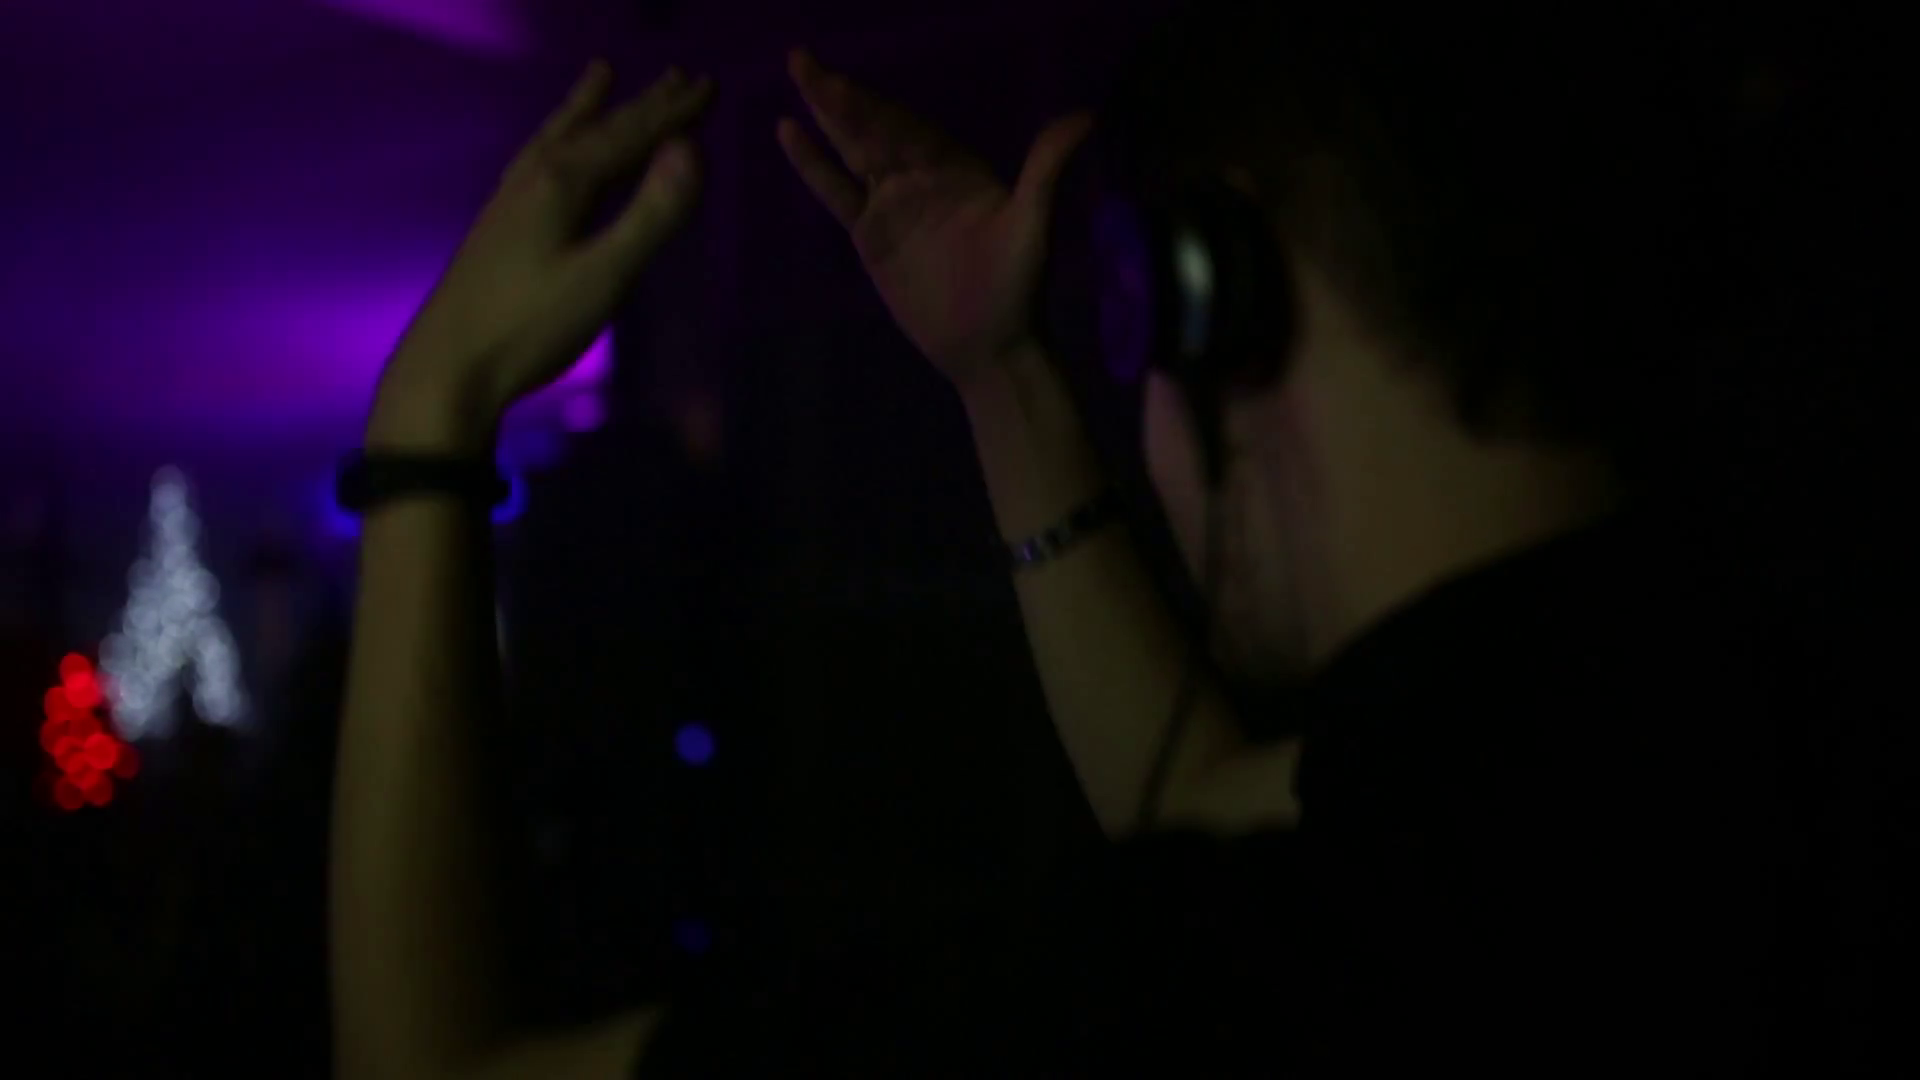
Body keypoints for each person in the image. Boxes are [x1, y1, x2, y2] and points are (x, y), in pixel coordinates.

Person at [330, 9, 1865, 1077]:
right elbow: (1205, 803)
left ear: (1211, 290)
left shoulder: (1218, 993)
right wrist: (1004, 380)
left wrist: (429, 422)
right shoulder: (1716, 722)